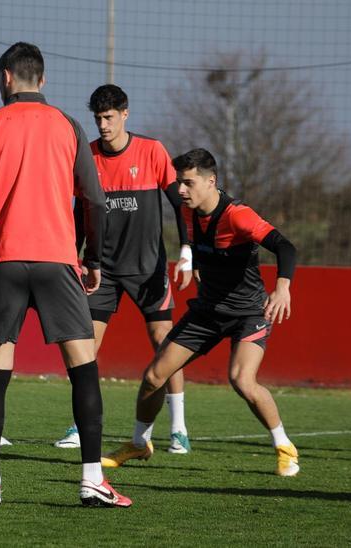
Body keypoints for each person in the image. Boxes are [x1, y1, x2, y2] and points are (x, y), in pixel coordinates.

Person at [0, 42, 129, 507]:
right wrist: (94, 260)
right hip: (57, 262)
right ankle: (92, 480)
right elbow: (95, 200)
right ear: (42, 80)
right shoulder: (69, 126)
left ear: (6, 77)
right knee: (83, 370)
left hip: (3, 261)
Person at [103, 148, 299, 476]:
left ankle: (284, 445)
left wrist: (282, 287)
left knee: (241, 379)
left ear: (211, 182)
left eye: (188, 183)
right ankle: (140, 443)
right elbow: (200, 243)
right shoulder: (188, 211)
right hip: (206, 312)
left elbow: (285, 246)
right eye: (179, 182)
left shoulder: (239, 215)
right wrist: (194, 260)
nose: (180, 190)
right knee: (153, 376)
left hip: (247, 314)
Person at [55, 84, 195, 453]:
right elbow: (79, 213)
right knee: (85, 346)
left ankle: (178, 428)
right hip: (102, 270)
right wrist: (75, 254)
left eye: (109, 117)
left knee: (165, 345)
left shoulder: (152, 151)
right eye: (98, 118)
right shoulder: (87, 156)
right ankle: (79, 425)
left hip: (148, 268)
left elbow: (179, 205)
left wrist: (186, 249)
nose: (103, 125)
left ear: (125, 114)